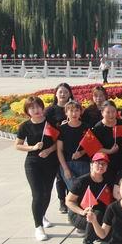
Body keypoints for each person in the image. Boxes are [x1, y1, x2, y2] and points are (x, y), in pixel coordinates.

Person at [15, 96, 59, 241]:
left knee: (47, 193)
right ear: (27, 111)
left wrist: (49, 150)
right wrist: (32, 147)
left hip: (50, 163)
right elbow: (18, 145)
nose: (36, 110)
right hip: (33, 163)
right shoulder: (25, 126)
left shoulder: (50, 123)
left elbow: (58, 143)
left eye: (38, 106)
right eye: (32, 108)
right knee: (38, 194)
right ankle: (38, 227)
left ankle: (42, 215)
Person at [65, 152, 113, 244]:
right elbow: (68, 201)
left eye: (104, 164)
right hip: (80, 215)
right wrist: (82, 212)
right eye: (98, 163)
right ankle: (87, 242)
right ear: (91, 165)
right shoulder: (81, 181)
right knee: (95, 213)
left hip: (101, 214)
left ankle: (101, 236)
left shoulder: (108, 180)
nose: (101, 166)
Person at [45, 82, 74, 213]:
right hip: (55, 146)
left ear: (70, 94)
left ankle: (71, 199)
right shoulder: (50, 110)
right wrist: (60, 127)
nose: (63, 94)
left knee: (70, 173)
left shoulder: (73, 107)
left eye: (66, 92)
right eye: (60, 92)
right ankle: (62, 201)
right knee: (60, 176)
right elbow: (46, 128)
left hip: (70, 145)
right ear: (56, 94)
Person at [57, 101, 90, 190]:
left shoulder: (86, 127)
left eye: (76, 110)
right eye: (71, 111)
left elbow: (91, 146)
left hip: (84, 164)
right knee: (73, 191)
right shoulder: (62, 129)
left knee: (84, 191)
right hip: (67, 164)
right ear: (66, 113)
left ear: (80, 112)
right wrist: (65, 169)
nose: (74, 113)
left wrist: (81, 153)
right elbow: (59, 150)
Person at [92, 101, 122, 183]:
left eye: (113, 111)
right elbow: (94, 148)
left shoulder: (121, 123)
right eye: (108, 112)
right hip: (106, 164)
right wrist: (109, 151)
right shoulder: (98, 128)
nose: (111, 115)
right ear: (102, 113)